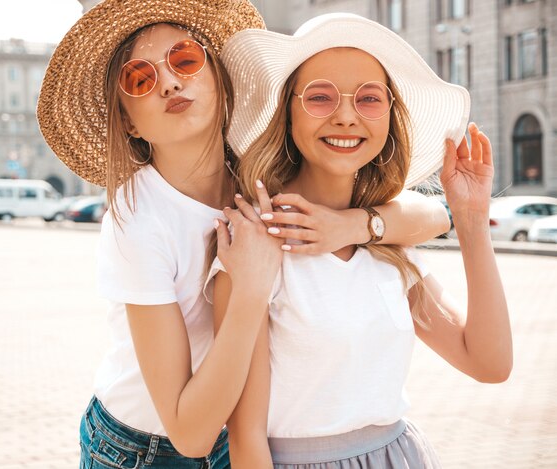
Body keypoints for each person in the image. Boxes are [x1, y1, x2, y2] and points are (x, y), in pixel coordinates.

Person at [37, 2, 450, 467]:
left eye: (185, 60)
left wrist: (354, 225)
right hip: (146, 446)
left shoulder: (257, 172)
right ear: (129, 120)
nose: (170, 82)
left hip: (237, 433)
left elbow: (432, 215)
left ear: (218, 76)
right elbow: (187, 433)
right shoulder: (138, 220)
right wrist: (251, 291)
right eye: (140, 79)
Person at [208, 13, 513, 468]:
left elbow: (489, 363)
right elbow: (246, 437)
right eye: (319, 97)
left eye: (369, 99)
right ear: (286, 113)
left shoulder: (385, 242)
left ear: (390, 115)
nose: (346, 116)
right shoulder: (258, 242)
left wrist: (470, 221)